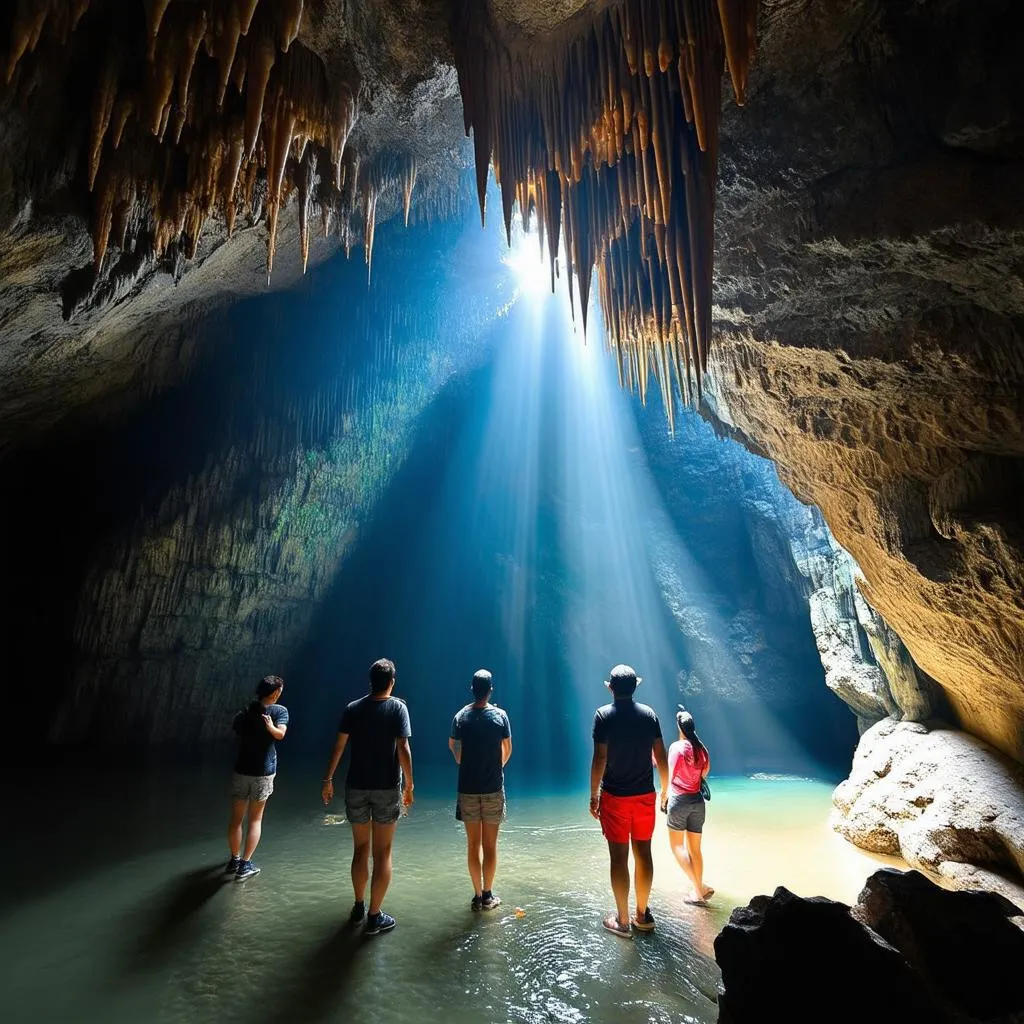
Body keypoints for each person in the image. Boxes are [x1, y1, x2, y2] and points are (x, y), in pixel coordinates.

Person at [322, 658, 414, 935]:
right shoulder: (398, 708)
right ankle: (374, 917)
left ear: (370, 681)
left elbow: (338, 746)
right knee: (382, 852)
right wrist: (409, 784)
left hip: (356, 786)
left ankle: (359, 905)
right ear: (392, 682)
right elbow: (403, 748)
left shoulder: (353, 708)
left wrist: (327, 779)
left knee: (360, 849)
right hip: (386, 787)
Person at [590, 664, 669, 938]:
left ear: (610, 688)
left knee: (619, 858)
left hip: (615, 797)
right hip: (645, 795)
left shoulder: (603, 716)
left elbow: (600, 757)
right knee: (643, 853)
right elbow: (660, 754)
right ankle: (642, 914)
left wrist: (593, 795)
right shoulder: (649, 715)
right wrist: (666, 788)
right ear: (635, 686)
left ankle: (622, 921)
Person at [448, 669, 513, 911]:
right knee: (490, 845)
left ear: (472, 689)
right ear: (491, 690)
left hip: (467, 788)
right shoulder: (500, 716)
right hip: (493, 787)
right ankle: (487, 895)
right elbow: (507, 746)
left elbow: (453, 744)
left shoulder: (460, 717)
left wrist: (462, 761)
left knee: (472, 844)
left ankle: (476, 895)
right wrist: (497, 766)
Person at [228, 675, 289, 882]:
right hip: (262, 773)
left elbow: (237, 729)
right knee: (255, 819)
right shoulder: (279, 711)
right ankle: (244, 865)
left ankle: (234, 860)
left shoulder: (245, 712)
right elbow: (280, 735)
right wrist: (269, 726)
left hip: (241, 770)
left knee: (236, 819)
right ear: (275, 693)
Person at [662, 708, 714, 904]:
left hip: (679, 800)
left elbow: (670, 775)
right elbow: (704, 774)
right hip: (698, 802)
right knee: (695, 850)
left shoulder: (677, 747)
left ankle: (698, 891)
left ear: (679, 726)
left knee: (677, 846)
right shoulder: (702, 749)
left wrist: (664, 797)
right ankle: (699, 886)